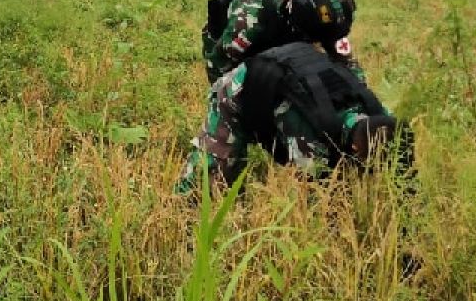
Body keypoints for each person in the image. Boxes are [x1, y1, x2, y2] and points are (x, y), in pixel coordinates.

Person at [176, 41, 410, 194]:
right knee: (211, 178)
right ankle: (182, 209)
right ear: (356, 148)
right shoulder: (313, 136)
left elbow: (406, 177)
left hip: (296, 67)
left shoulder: (380, 114)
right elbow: (317, 192)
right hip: (240, 90)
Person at [202, 0, 357, 84]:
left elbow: (348, 66)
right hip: (234, 40)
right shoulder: (246, 28)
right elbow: (218, 66)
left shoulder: (326, 21)